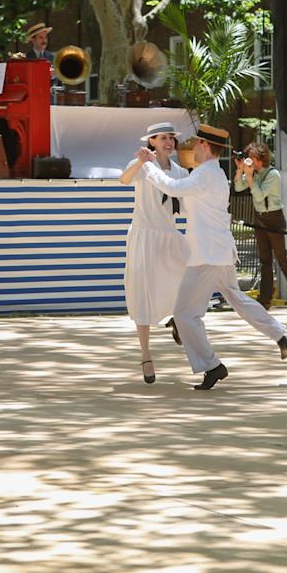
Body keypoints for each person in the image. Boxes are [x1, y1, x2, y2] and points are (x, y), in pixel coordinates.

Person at [138, 124, 287, 390]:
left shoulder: (206, 174)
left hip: (207, 255)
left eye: (196, 144)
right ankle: (281, 337)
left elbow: (172, 187)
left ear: (203, 145)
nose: (192, 148)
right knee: (237, 298)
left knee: (185, 314)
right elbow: (184, 195)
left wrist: (148, 164)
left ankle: (211, 365)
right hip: (219, 251)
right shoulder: (213, 174)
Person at [120, 122, 190, 384]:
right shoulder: (141, 166)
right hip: (145, 235)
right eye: (162, 138)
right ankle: (146, 355)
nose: (168, 142)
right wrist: (140, 162)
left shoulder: (181, 172)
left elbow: (185, 205)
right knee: (143, 293)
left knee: (184, 285)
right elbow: (124, 179)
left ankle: (178, 320)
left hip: (170, 236)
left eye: (171, 138)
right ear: (152, 141)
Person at [233, 141, 287, 309]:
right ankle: (265, 300)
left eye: (251, 158)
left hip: (274, 219)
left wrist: (249, 177)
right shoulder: (253, 173)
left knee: (282, 259)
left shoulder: (273, 175)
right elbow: (237, 187)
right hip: (260, 218)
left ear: (260, 159)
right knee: (265, 260)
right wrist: (240, 170)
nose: (249, 161)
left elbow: (259, 195)